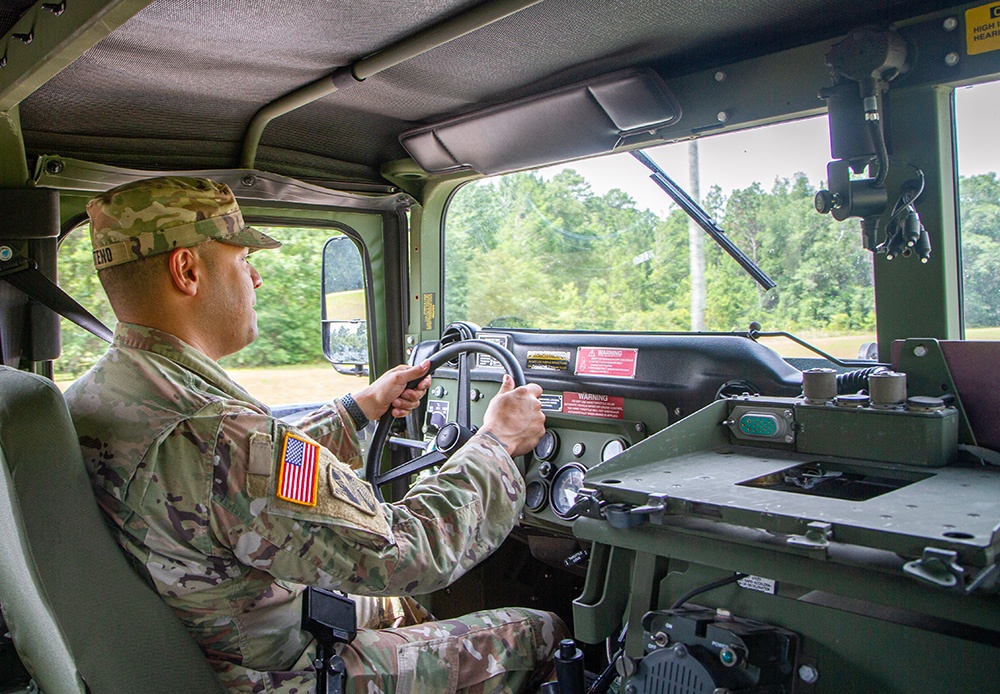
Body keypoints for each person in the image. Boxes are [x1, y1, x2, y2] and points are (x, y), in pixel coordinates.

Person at [66, 176, 568, 693]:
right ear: (187, 270)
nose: (255, 278)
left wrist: (359, 408)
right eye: (242, 260)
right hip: (281, 675)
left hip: (213, 644)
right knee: (542, 633)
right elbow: (410, 551)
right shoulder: (218, 435)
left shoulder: (106, 392)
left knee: (403, 610)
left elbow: (250, 475)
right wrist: (497, 443)